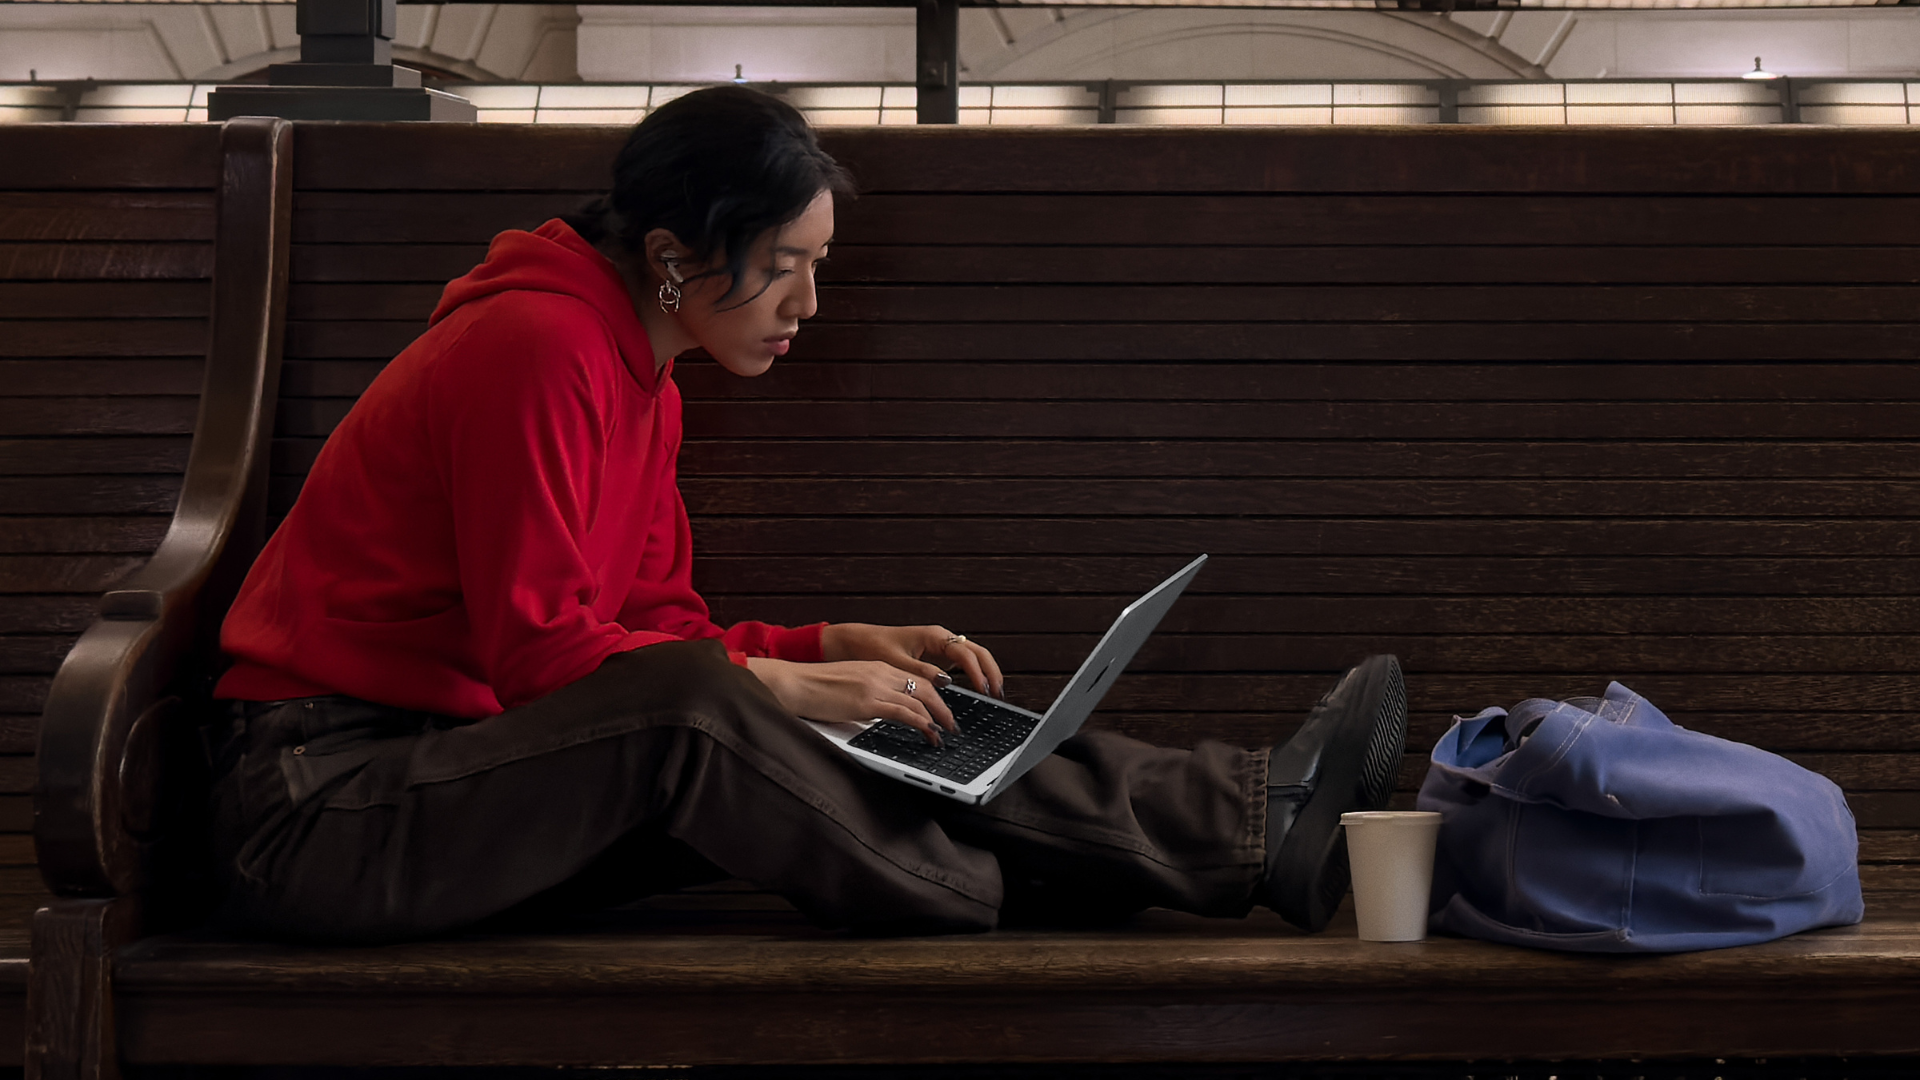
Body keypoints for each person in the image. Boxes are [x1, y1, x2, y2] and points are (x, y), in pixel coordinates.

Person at [206, 86, 1410, 944]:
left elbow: (652, 627)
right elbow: (553, 662)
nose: (810, 302)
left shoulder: (640, 373)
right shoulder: (536, 345)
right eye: (785, 264)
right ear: (676, 255)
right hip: (325, 809)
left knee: (880, 705)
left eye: (819, 266)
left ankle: (1256, 815)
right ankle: (987, 886)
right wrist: (783, 688)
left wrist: (823, 650)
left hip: (463, 777)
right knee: (707, 711)